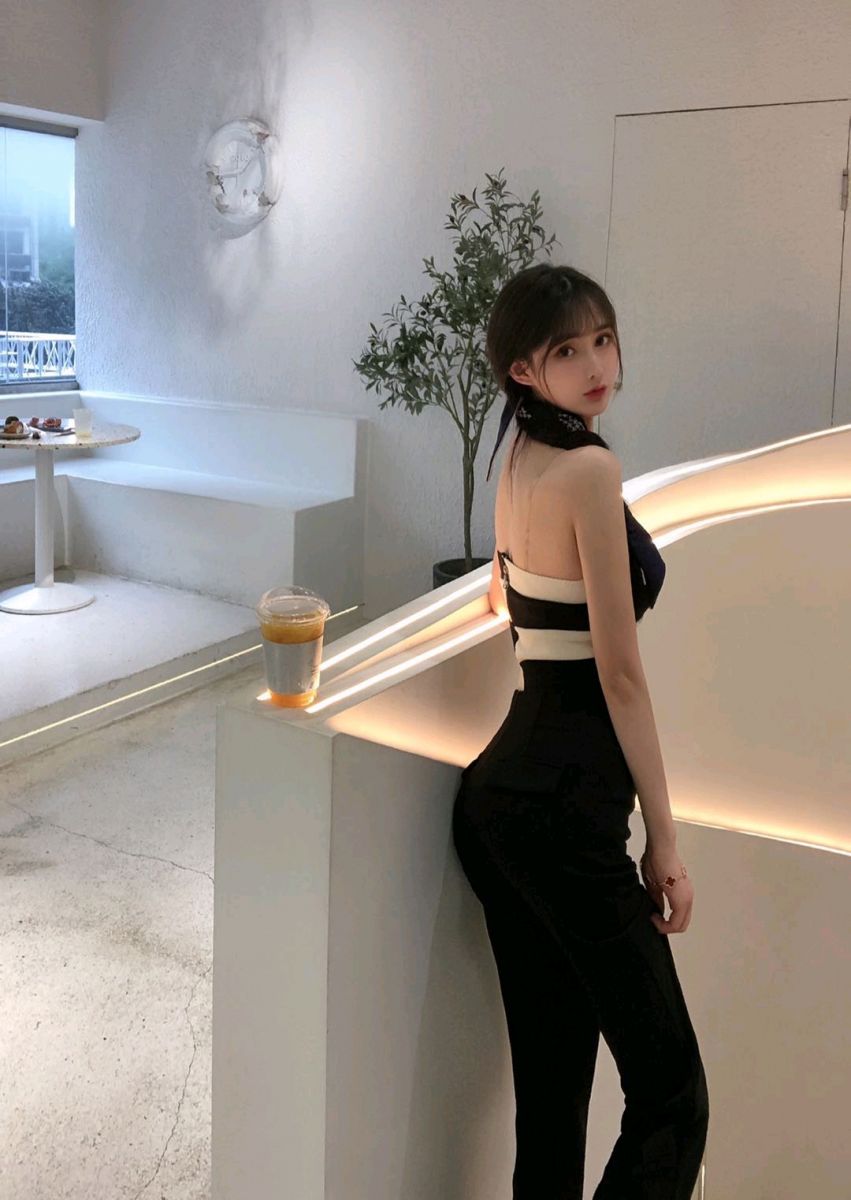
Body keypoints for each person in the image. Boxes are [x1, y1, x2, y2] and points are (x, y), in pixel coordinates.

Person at [452, 263, 709, 1199]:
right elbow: (620, 676)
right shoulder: (589, 470)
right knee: (673, 1095)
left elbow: (504, 598)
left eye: (602, 339)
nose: (597, 364)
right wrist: (664, 842)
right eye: (567, 350)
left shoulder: (520, 453)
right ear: (524, 369)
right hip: (564, 813)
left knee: (552, 1097)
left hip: (499, 803)